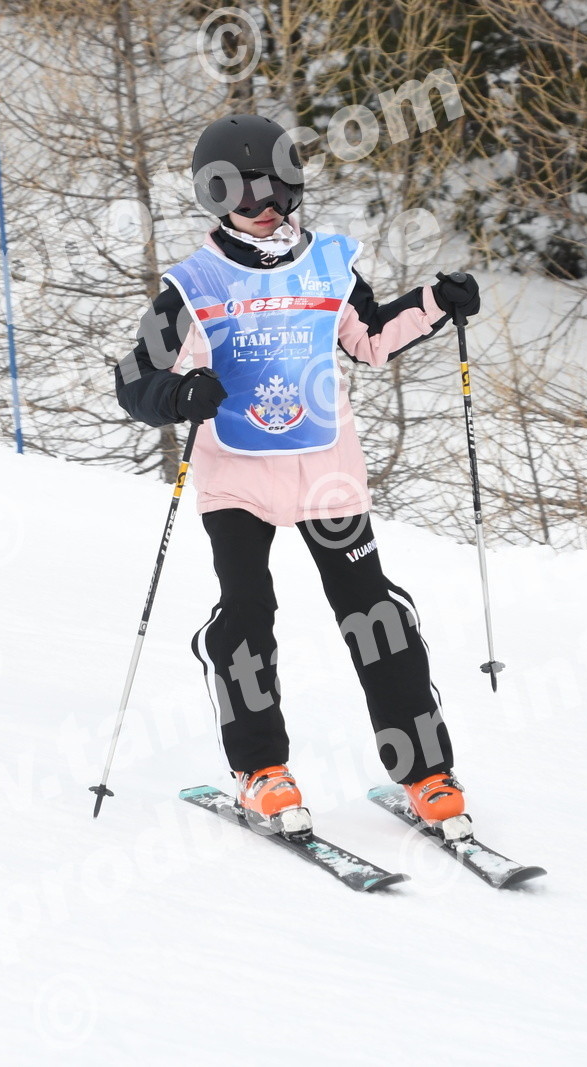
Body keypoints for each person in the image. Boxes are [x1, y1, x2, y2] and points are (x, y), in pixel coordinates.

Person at [114, 113, 482, 842]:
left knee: (374, 614)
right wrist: (179, 393)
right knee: (247, 614)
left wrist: (438, 302)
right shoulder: (192, 284)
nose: (265, 206)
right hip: (238, 479)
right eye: (243, 192)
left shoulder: (329, 265)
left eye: (278, 189)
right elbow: (135, 380)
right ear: (214, 196)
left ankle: (425, 772)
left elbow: (370, 338)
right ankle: (262, 770)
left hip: (326, 474)